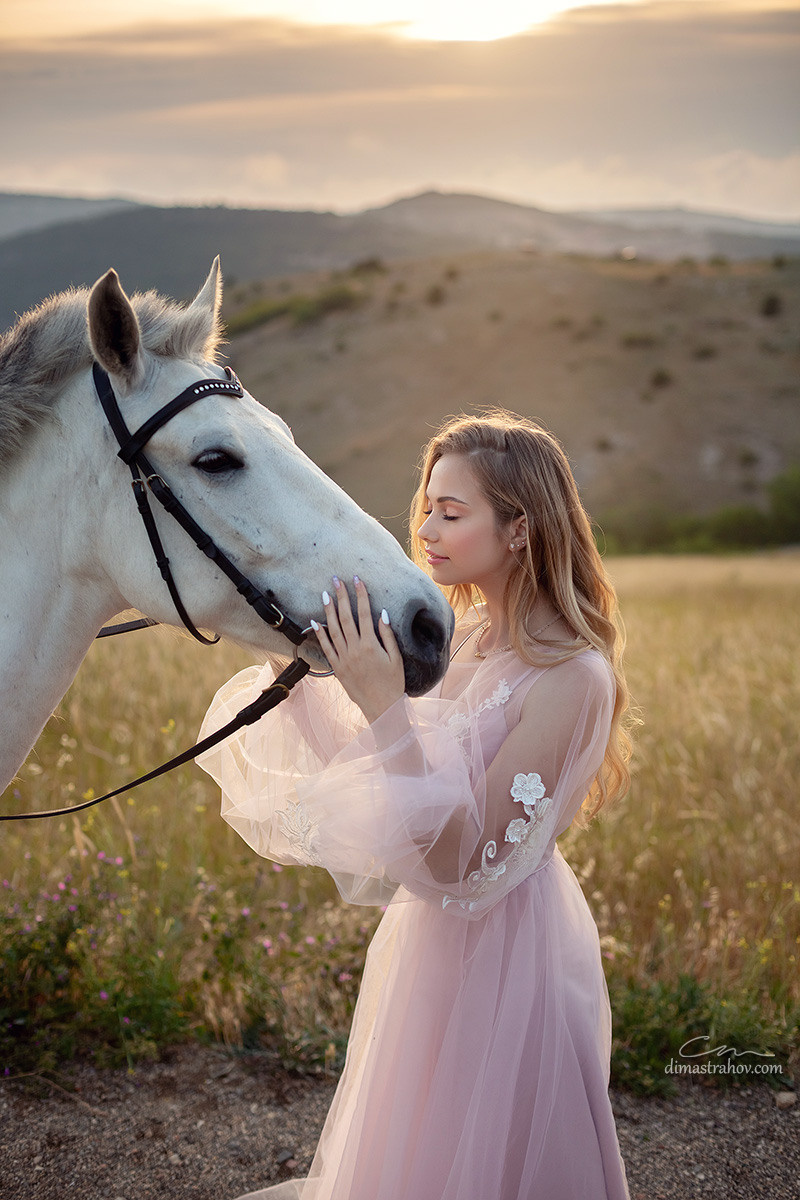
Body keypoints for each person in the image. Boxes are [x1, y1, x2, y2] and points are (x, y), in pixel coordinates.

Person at [197, 410, 634, 1200]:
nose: (426, 529)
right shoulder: (462, 636)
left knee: (488, 1149)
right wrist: (308, 668)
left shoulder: (573, 678)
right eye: (428, 506)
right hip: (426, 940)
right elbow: (384, 773)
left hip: (510, 953)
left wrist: (384, 706)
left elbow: (465, 864)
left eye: (452, 513)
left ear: (521, 529)